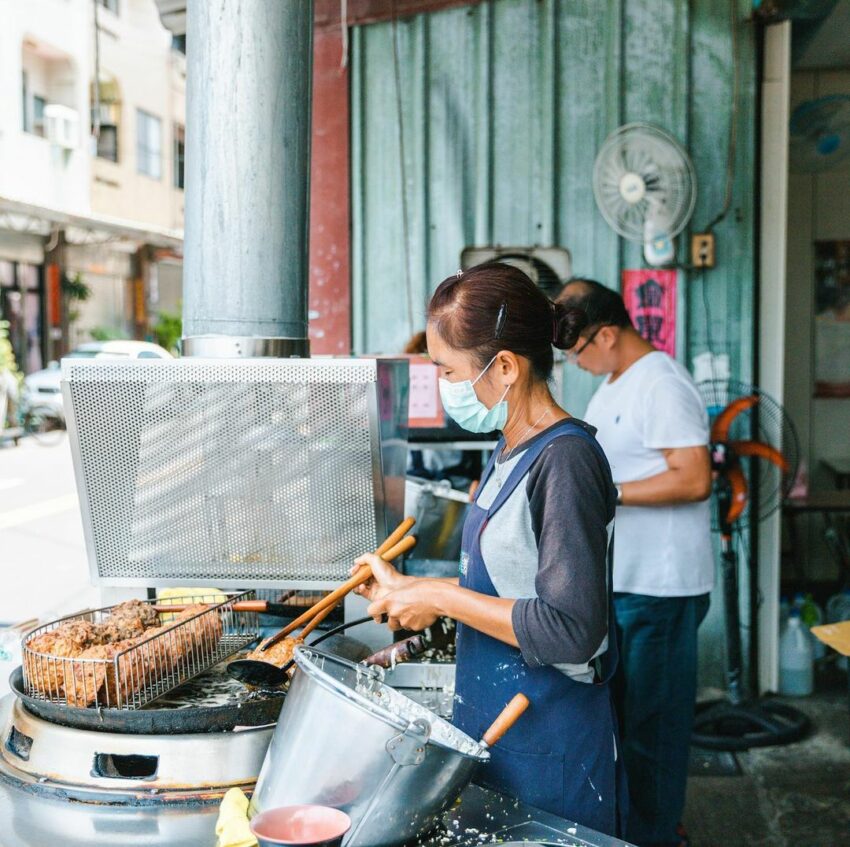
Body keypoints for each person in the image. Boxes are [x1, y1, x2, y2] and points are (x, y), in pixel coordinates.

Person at [354, 263, 627, 837]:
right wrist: (419, 599)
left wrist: (439, 595)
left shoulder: (567, 459)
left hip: (551, 744)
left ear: (504, 366)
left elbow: (571, 628)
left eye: (447, 370)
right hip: (500, 728)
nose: (443, 385)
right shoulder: (508, 448)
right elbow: (511, 585)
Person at [557, 278, 712, 847]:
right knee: (627, 724)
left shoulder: (661, 383)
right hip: (626, 586)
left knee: (654, 732)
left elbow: (693, 478)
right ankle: (639, 832)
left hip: (663, 589)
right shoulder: (612, 385)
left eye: (579, 352)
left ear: (607, 332)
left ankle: (659, 836)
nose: (577, 363)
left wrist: (612, 492)